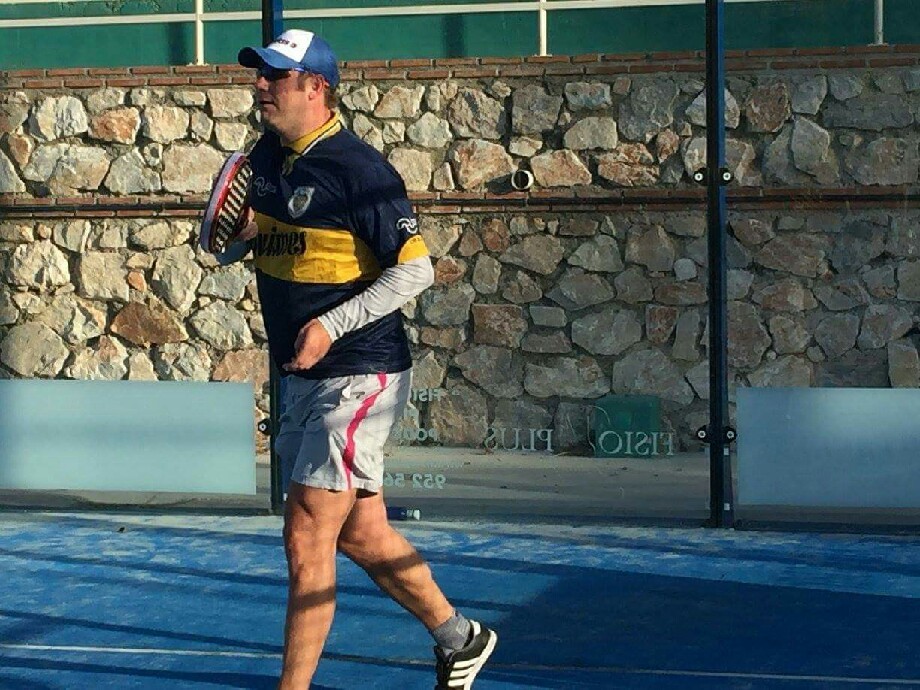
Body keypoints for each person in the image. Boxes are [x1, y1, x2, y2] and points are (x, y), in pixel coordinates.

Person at [229, 28, 498, 690]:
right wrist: (240, 238)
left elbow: (416, 270)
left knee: (305, 535)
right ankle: (460, 637)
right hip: (307, 377)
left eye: (275, 76)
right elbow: (270, 238)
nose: (260, 85)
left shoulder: (360, 169)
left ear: (315, 87)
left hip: (361, 373)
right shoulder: (267, 156)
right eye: (260, 73)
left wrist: (330, 325)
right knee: (360, 535)